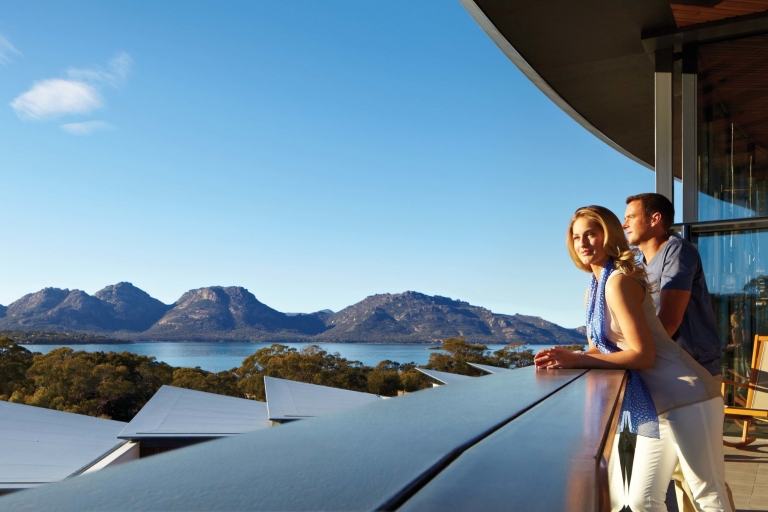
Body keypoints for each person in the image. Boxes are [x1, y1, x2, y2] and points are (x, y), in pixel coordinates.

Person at [534, 205, 729, 512]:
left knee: (708, 496)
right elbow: (602, 348)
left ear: (609, 236)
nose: (582, 243)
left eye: (591, 234)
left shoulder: (619, 282)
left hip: (688, 397)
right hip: (655, 407)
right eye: (576, 237)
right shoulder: (595, 288)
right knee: (640, 500)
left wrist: (578, 360)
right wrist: (570, 356)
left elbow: (642, 354)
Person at [623, 193, 721, 380]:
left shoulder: (677, 250)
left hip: (691, 372)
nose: (624, 224)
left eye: (631, 217)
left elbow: (669, 321)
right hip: (663, 366)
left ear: (655, 219)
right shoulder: (640, 265)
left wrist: (634, 355)